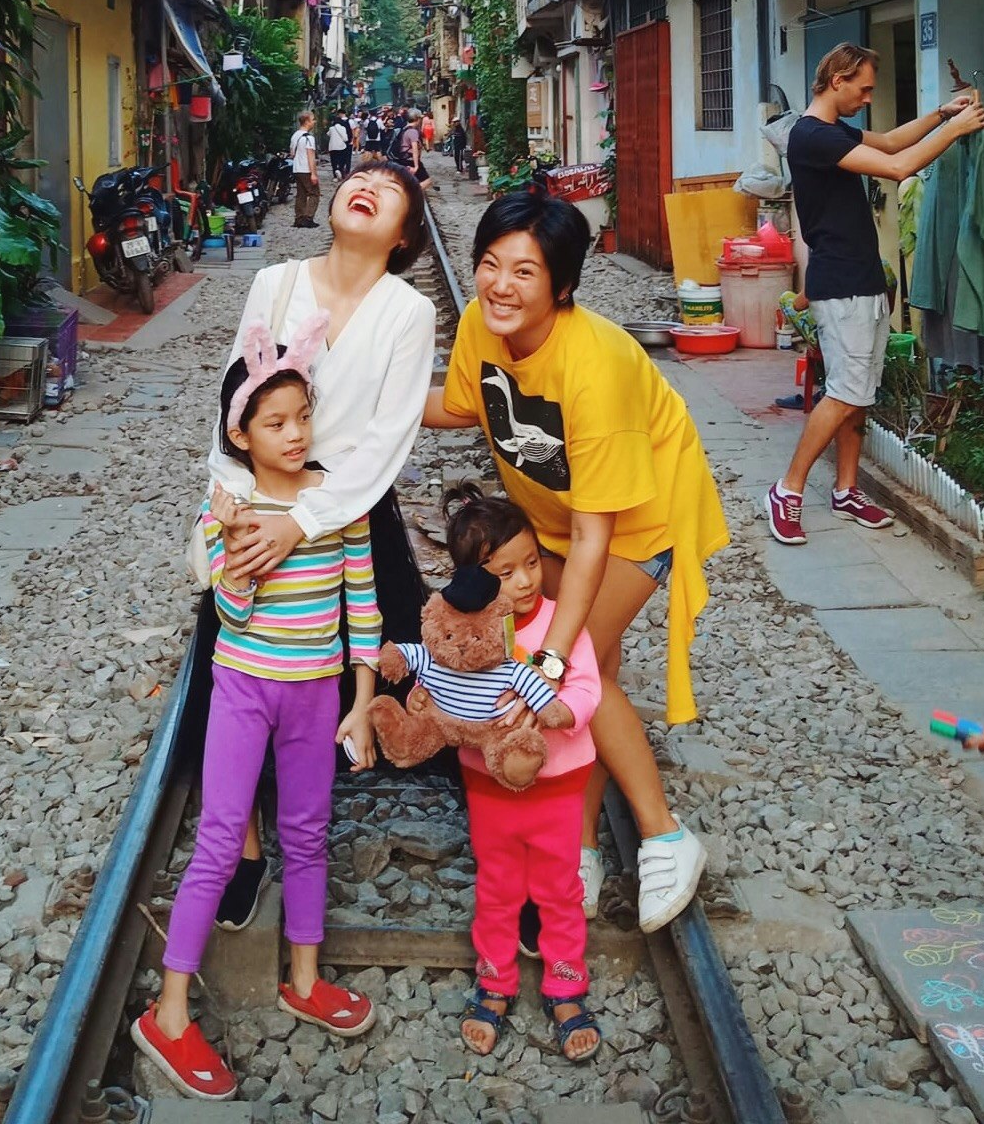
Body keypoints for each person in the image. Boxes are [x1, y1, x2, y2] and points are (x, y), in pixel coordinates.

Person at [425, 190, 728, 933]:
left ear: (561, 287)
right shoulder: (479, 325)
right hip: (555, 522)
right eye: (490, 264)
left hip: (633, 521)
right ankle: (577, 844)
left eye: (524, 272)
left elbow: (600, 535)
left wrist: (553, 657)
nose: (499, 284)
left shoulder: (596, 367)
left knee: (577, 670)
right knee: (595, 683)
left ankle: (664, 835)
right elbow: (462, 406)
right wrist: (357, 398)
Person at [133, 328, 380, 1100]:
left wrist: (364, 702)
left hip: (316, 693)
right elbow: (232, 616)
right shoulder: (229, 509)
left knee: (308, 834)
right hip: (244, 687)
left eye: (302, 416)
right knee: (219, 837)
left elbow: (362, 605)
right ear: (240, 436)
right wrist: (230, 540)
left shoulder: (337, 501)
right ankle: (168, 1015)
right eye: (276, 423)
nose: (297, 434)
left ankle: (303, 979)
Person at [205, 163, 435, 928]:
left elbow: (386, 441)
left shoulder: (406, 311)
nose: (364, 183)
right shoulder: (274, 282)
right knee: (229, 650)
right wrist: (233, 506)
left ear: (402, 236)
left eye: (388, 185)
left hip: (348, 504)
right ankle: (240, 844)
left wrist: (303, 523)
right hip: (258, 488)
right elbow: (236, 395)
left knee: (396, 662)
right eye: (358, 174)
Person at [765, 44, 984, 548]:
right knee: (844, 390)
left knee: (859, 391)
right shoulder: (811, 136)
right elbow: (896, 168)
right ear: (837, 79)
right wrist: (956, 130)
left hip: (864, 277)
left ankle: (846, 490)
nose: (868, 97)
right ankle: (787, 490)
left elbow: (888, 142)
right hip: (839, 281)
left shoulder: (833, 132)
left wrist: (940, 114)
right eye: (863, 88)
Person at [442, 486, 603, 1066]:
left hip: (558, 784)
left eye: (532, 562)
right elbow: (438, 696)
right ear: (474, 579)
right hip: (490, 789)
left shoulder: (562, 624)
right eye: (506, 571)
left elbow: (589, 689)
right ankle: (495, 980)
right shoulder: (462, 632)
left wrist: (560, 709)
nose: (526, 580)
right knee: (498, 887)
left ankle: (565, 983)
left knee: (559, 889)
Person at [290, 111, 320, 228]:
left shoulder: (295, 135)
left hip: (296, 168)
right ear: (307, 122)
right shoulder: (309, 138)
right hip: (306, 169)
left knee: (301, 195)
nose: (314, 122)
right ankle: (308, 217)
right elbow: (310, 156)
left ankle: (299, 218)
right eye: (313, 120)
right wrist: (313, 173)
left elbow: (292, 153)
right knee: (314, 194)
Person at [400, 108, 431, 193]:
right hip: (410, 160)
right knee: (427, 181)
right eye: (420, 118)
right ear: (417, 119)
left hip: (404, 159)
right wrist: (416, 165)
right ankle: (412, 196)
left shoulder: (404, 129)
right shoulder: (413, 131)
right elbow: (415, 149)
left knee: (409, 182)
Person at [326, 113, 351, 180]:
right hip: (341, 147)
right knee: (341, 161)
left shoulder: (331, 128)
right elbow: (346, 139)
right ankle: (340, 170)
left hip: (332, 147)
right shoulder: (343, 128)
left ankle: (335, 173)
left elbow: (328, 134)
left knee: (334, 161)